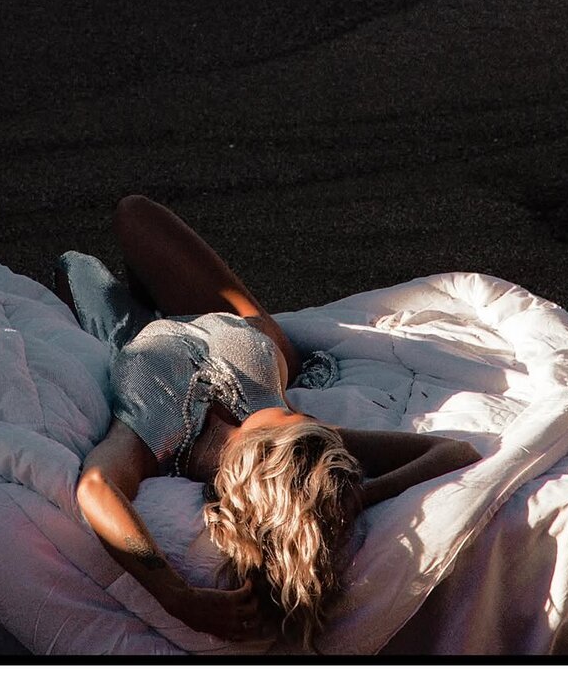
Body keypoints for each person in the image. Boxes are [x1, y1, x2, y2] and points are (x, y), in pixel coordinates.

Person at [56, 195, 481, 649]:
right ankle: (151, 289)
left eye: (297, 421)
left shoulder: (159, 433)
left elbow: (96, 487)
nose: (303, 416)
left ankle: (143, 298)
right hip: (241, 325)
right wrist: (360, 496)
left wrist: (174, 595)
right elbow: (453, 451)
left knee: (72, 265)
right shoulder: (301, 440)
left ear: (254, 462)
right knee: (133, 212)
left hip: (133, 337)